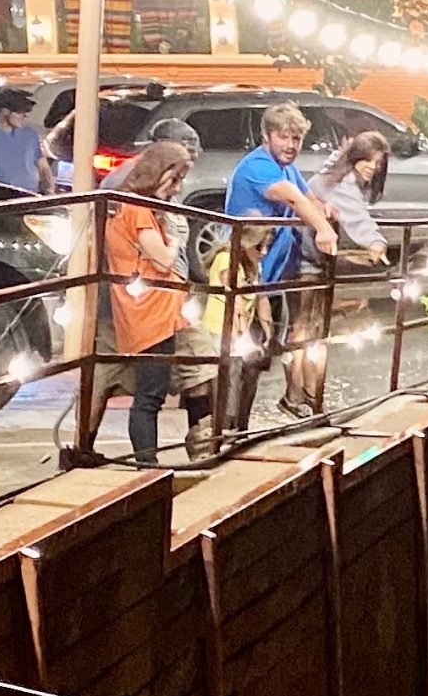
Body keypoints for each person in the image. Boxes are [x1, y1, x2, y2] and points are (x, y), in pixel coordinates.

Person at [84, 141, 215, 463]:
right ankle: (148, 464)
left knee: (157, 390)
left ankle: (155, 459)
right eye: (177, 179)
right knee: (148, 397)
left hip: (152, 311)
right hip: (150, 314)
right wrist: (173, 239)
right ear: (161, 173)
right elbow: (163, 259)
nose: (179, 187)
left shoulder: (127, 205)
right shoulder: (139, 209)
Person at [220, 104, 337, 431]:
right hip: (243, 276)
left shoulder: (287, 168)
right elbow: (293, 199)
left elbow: (307, 196)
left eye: (296, 138)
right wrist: (323, 230)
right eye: (283, 137)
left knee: (259, 359)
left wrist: (325, 210)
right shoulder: (259, 166)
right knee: (243, 358)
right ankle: (228, 428)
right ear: (267, 136)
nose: (290, 144)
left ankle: (248, 422)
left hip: (268, 279)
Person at [276, 129, 390, 421]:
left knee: (310, 329)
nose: (373, 169)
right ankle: (298, 396)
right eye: (370, 162)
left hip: (312, 257)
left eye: (377, 164)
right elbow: (356, 215)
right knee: (305, 328)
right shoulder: (342, 182)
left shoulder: (334, 173)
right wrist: (375, 241)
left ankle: (308, 397)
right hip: (305, 258)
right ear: (357, 159)